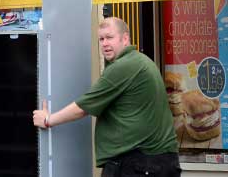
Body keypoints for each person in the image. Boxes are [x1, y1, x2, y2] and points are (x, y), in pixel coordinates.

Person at [32, 17, 180, 177]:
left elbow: (83, 107)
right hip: (156, 162)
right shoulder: (141, 61)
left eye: (109, 37)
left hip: (140, 163)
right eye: (101, 39)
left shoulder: (124, 66)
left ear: (125, 38)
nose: (104, 43)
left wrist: (48, 120)